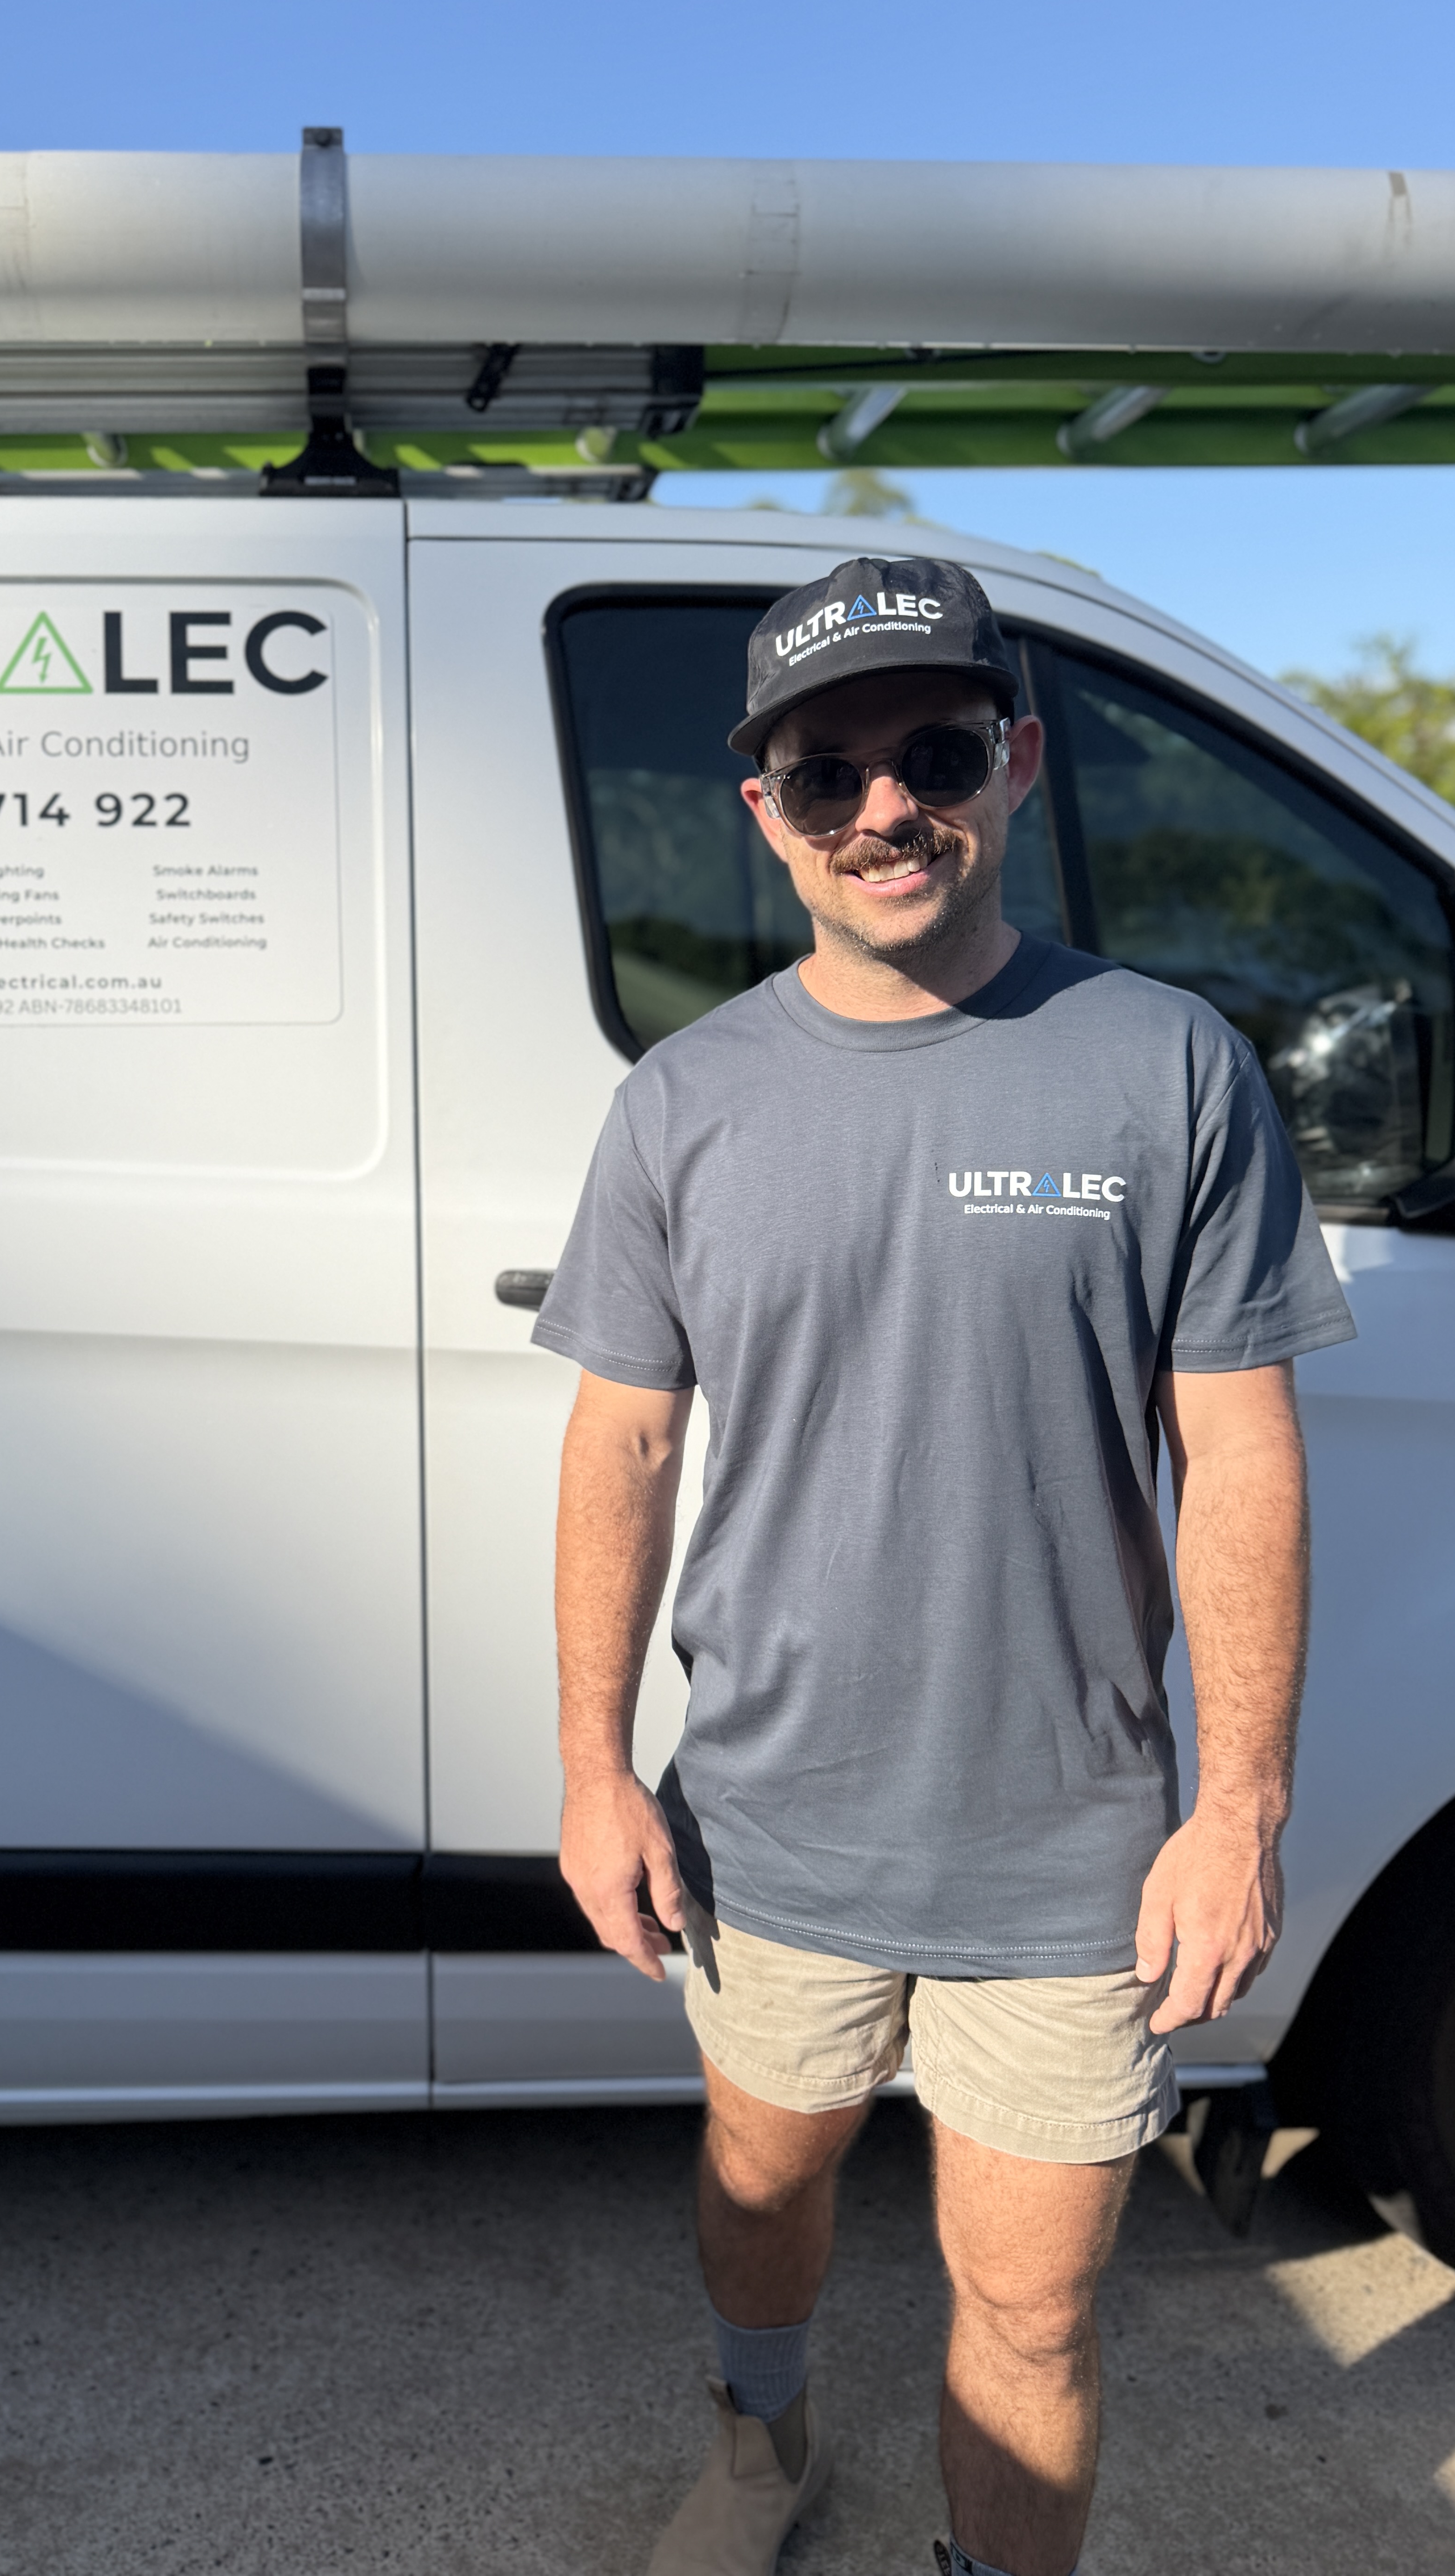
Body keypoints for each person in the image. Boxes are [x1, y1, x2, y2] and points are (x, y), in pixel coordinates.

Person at [532, 557, 1356, 2576]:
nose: (885, 808)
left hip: (1065, 1843)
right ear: (765, 810)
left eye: (936, 751)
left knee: (1038, 2310)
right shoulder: (685, 1106)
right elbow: (623, 1439)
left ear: (1017, 762)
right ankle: (760, 2445)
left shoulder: (1167, 1068)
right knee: (759, 2185)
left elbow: (1238, 1451)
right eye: (828, 774)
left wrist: (1238, 1808)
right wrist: (594, 1766)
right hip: (773, 1818)